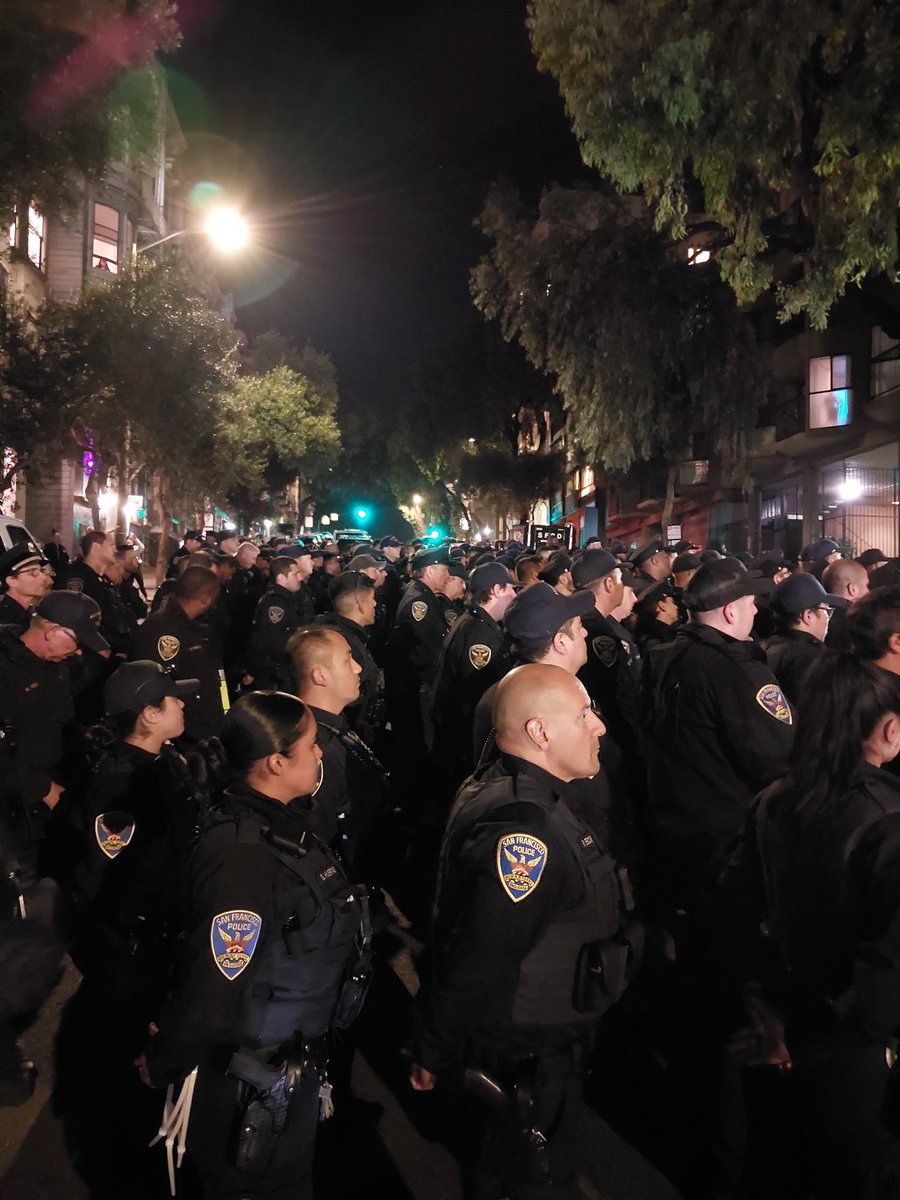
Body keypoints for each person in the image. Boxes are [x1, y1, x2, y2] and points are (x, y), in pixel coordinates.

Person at [411, 664, 642, 1199]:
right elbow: (480, 953)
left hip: (530, 1048)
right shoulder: (525, 833)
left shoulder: (516, 791)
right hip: (526, 1059)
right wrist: (433, 1049)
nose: (598, 726)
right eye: (583, 714)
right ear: (540, 733)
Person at [143, 691, 369, 1200]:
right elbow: (213, 983)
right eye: (311, 746)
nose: (319, 756)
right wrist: (165, 1060)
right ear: (275, 762)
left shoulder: (280, 822)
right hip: (251, 1084)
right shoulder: (242, 861)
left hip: (284, 1063)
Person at [753, 654, 900, 1198]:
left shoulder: (776, 800)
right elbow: (891, 959)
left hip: (797, 1022)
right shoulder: (884, 820)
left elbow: (749, 908)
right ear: (889, 729)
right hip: (864, 1050)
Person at [431, 561, 516, 790]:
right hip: (465, 739)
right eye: (510, 589)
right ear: (496, 590)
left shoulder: (473, 622)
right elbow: (477, 696)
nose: (513, 595)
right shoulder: (479, 635)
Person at [132, 566, 227, 744]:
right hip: (184, 732)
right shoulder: (165, 630)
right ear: (205, 599)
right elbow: (156, 688)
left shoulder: (193, 628)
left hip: (201, 724)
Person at [315, 571, 384, 747]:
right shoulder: (338, 641)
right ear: (360, 604)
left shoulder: (342, 634)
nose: (375, 604)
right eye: (372, 599)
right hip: (346, 737)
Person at [761, 573, 835, 705]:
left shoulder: (760, 650)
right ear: (808, 615)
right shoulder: (820, 661)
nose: (828, 618)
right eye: (826, 611)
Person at [243, 555, 307, 692]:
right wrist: (253, 670)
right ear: (281, 578)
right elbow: (266, 638)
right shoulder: (276, 603)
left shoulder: (289, 599)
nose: (300, 578)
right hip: (275, 673)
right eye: (295, 574)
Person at [0, 543, 53, 633]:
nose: (43, 577)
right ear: (12, 581)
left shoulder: (27, 613)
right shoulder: (6, 622)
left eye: (41, 571)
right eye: (32, 572)